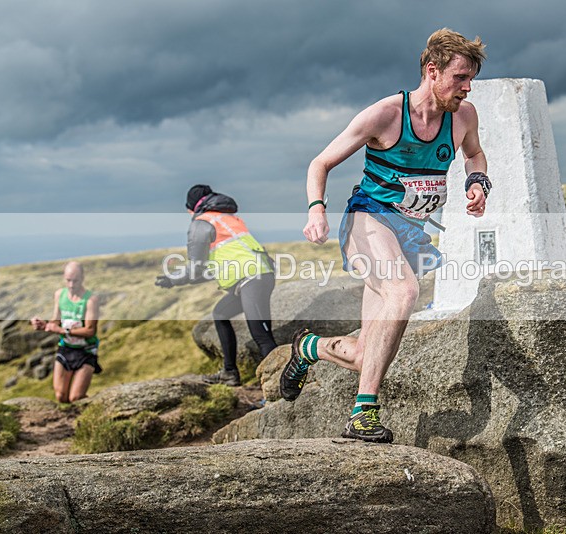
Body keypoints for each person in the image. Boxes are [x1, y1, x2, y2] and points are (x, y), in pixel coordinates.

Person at [280, 28, 490, 443]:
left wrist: (478, 182)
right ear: (433, 71)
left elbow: (474, 153)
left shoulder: (463, 117)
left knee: (365, 355)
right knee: (403, 292)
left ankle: (309, 349)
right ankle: (363, 414)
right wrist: (316, 211)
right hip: (369, 221)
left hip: (409, 234)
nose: (467, 88)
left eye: (470, 80)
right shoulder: (386, 115)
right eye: (460, 78)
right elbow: (319, 163)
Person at [155, 185, 278, 386]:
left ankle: (279, 389)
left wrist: (173, 279)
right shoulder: (227, 218)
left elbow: (196, 267)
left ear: (191, 208)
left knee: (262, 337)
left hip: (250, 279)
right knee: (220, 313)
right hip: (258, 275)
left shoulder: (201, 223)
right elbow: (214, 267)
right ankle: (230, 372)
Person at [30, 261, 101, 403]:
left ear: (82, 278)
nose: (71, 285)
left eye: (75, 280)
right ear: (64, 277)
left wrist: (64, 330)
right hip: (66, 349)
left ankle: (93, 414)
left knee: (75, 398)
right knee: (61, 397)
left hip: (85, 351)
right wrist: (44, 325)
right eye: (68, 280)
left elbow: (90, 331)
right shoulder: (59, 295)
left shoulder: (90, 300)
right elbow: (56, 321)